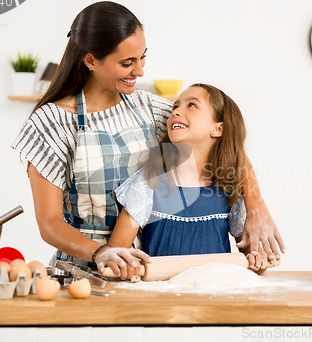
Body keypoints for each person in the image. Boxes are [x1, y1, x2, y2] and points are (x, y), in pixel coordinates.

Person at [11, 1, 284, 280]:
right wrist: (102, 252)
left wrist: (256, 208)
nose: (140, 71)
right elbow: (49, 222)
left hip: (148, 271)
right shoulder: (50, 125)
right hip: (84, 273)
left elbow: (226, 149)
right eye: (127, 63)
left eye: (142, 57)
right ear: (91, 60)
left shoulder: (151, 109)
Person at [108, 83, 273, 279]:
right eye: (175, 107)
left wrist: (259, 260)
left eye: (191, 105)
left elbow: (252, 260)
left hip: (214, 297)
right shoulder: (147, 183)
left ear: (218, 129)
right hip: (159, 298)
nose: (176, 111)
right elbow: (115, 252)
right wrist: (125, 264)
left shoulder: (230, 189)